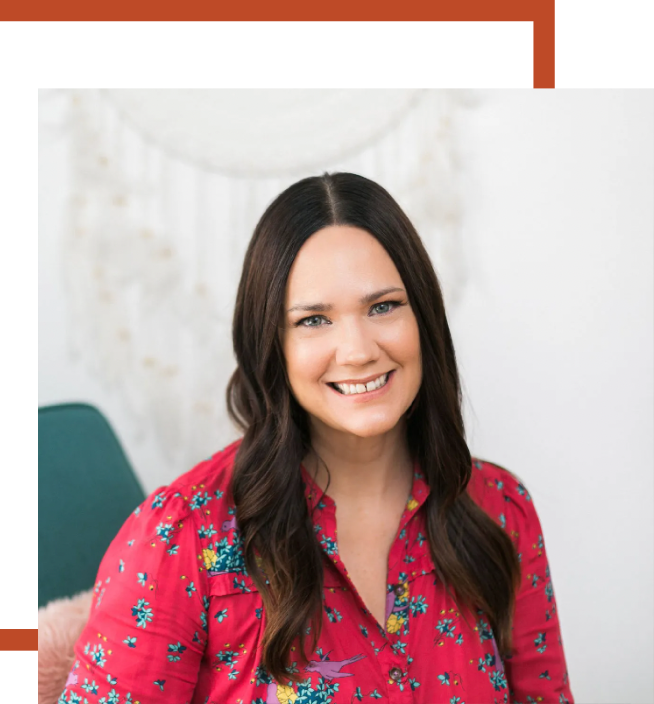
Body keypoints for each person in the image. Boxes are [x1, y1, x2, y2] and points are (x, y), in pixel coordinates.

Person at [57, 173, 573, 704]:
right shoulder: (180, 538)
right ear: (271, 344)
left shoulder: (500, 509)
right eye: (313, 320)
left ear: (424, 317)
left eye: (383, 307)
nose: (357, 351)